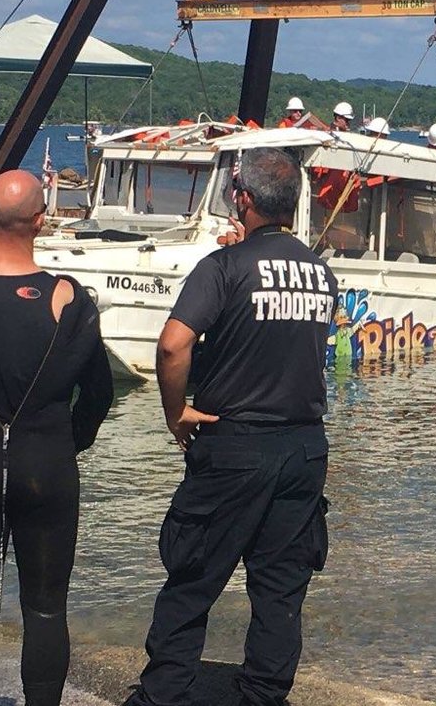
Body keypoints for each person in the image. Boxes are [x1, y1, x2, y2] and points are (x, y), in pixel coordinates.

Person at [127, 146, 337, 706]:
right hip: (304, 446)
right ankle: (264, 695)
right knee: (280, 587)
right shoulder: (322, 273)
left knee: (193, 577)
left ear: (242, 200)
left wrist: (176, 413)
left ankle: (162, 695)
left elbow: (174, 345)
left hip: (235, 443)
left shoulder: (222, 267)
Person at [0, 170, 113, 706]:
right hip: (46, 464)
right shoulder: (69, 297)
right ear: (41, 221)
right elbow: (99, 393)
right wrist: (71, 441)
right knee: (45, 607)